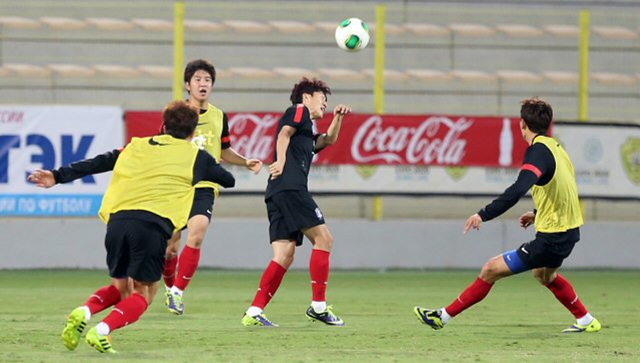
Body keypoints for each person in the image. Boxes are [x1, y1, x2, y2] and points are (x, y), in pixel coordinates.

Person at [28, 101, 235, 353]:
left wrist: (57, 176)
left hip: (117, 222)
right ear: (192, 133)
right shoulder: (196, 156)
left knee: (120, 287)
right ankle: (102, 331)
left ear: (163, 126)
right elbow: (228, 179)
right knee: (143, 292)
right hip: (151, 226)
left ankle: (85, 310)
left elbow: (99, 162)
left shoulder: (136, 146)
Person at [414, 97, 601, 333]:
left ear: (522, 124)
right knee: (544, 275)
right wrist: (537, 212)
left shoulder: (537, 152)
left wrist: (484, 214)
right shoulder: (557, 149)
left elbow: (517, 190)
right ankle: (586, 319)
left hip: (552, 237)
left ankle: (442, 316)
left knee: (490, 269)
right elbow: (565, 189)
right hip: (569, 232)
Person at [241, 77, 351, 327]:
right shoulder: (298, 111)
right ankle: (319, 307)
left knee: (284, 254)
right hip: (291, 188)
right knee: (324, 239)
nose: (325, 103)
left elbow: (328, 140)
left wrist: (339, 117)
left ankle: (255, 311)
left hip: (277, 192)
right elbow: (283, 133)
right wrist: (280, 161)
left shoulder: (307, 130)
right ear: (306, 98)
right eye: (322, 98)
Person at [162, 59, 262, 315]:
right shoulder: (176, 114)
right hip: (178, 184)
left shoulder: (219, 116)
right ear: (188, 85)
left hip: (205, 185)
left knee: (197, 233)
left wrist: (245, 161)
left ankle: (177, 293)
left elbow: (224, 150)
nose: (203, 83)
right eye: (197, 79)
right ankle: (170, 285)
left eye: (207, 79)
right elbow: (163, 147)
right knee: (171, 246)